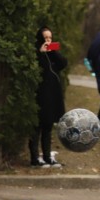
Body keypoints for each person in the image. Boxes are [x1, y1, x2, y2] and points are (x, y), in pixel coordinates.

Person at [29, 26, 67, 168]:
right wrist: (41, 53)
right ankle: (34, 157)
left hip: (52, 95)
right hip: (40, 95)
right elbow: (37, 69)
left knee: (48, 127)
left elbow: (63, 63)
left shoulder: (52, 55)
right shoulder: (36, 54)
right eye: (45, 38)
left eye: (50, 38)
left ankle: (46, 156)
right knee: (37, 127)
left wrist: (53, 51)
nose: (48, 41)